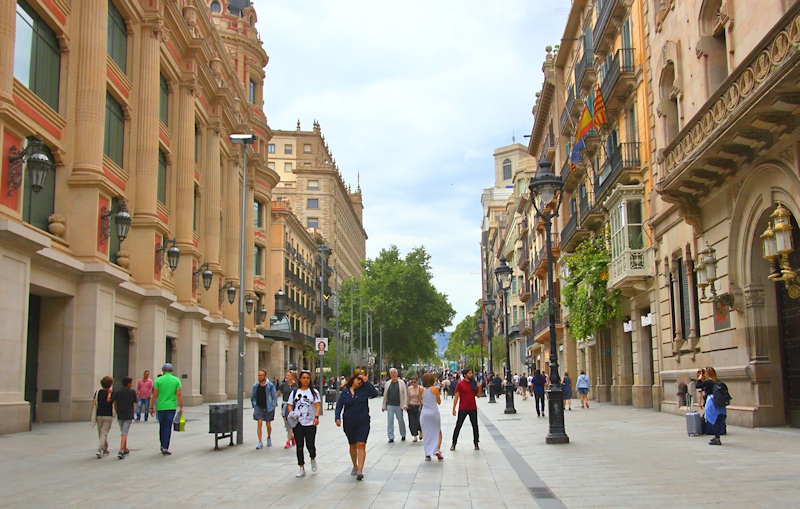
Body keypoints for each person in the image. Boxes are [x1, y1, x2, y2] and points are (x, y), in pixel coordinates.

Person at [335, 371, 379, 480]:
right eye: (358, 379)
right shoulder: (345, 392)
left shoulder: (364, 390)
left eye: (361, 379)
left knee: (361, 444)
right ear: (353, 379)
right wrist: (337, 417)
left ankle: (360, 469)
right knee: (352, 444)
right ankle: (354, 465)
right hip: (349, 421)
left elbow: (375, 394)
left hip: (362, 421)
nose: (359, 381)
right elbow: (339, 405)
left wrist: (367, 382)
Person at [286, 370, 321, 477]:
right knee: (299, 445)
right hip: (298, 422)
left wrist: (316, 417)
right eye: (304, 378)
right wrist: (291, 413)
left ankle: (312, 457)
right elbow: (290, 404)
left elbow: (317, 405)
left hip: (310, 422)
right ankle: (301, 466)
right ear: (300, 379)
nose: (306, 380)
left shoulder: (314, 392)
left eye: (307, 378)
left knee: (310, 444)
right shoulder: (295, 392)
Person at [149, 363, 183, 455]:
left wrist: (151, 407)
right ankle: (165, 446)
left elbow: (155, 395)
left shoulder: (158, 380)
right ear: (171, 370)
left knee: (162, 426)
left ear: (163, 371)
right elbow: (179, 394)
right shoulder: (176, 380)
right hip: (171, 406)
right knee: (168, 426)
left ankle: (161, 444)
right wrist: (181, 406)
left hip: (161, 406)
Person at [450, 368, 480, 451]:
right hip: (463, 408)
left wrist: (479, 387)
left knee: (475, 426)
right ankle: (454, 443)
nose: (471, 375)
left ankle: (476, 442)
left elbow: (478, 395)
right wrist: (454, 408)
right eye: (470, 373)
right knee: (458, 425)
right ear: (465, 375)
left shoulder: (473, 384)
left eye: (471, 373)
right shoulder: (460, 384)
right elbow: (456, 396)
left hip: (473, 408)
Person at [251, 369, 278, 449]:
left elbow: (274, 395)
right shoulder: (256, 386)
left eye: (262, 375)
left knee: (268, 424)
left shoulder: (270, 385)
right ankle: (260, 442)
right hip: (259, 406)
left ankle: (269, 437)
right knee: (259, 423)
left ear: (265, 376)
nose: (260, 377)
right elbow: (253, 396)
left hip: (268, 407)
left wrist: (274, 405)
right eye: (259, 375)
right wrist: (254, 404)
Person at [111, 377, 136, 459]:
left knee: (123, 432)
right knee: (124, 433)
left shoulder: (118, 392)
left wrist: (116, 410)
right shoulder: (132, 392)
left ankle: (124, 448)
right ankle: (121, 450)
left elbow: (113, 401)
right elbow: (135, 401)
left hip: (120, 414)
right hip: (128, 415)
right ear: (128, 384)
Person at [419, 373, 443, 461]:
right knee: (438, 432)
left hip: (424, 413)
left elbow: (420, 401)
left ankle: (427, 454)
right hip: (434, 413)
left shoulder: (421, 390)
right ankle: (437, 449)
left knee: (426, 433)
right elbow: (439, 401)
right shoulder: (435, 389)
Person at [381, 367, 408, 443]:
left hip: (399, 405)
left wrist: (405, 404)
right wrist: (383, 406)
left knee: (400, 420)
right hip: (390, 404)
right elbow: (385, 395)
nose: (393, 374)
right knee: (390, 420)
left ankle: (403, 434)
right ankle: (391, 436)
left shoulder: (401, 383)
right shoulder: (387, 383)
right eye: (391, 373)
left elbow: (405, 394)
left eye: (394, 373)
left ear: (397, 374)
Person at [703, 366, 728, 445]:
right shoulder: (719, 382)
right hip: (720, 402)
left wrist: (700, 377)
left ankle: (717, 438)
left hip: (712, 402)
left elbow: (698, 385)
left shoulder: (708, 382)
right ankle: (717, 436)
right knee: (719, 419)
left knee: (713, 420)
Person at [93, 376, 114, 458]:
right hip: (108, 415)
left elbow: (93, 403)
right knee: (104, 433)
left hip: (99, 415)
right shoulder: (111, 392)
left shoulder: (98, 392)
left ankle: (104, 448)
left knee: (101, 433)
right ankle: (100, 449)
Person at [277, 370, 298, 449]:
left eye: (288, 375)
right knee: (287, 424)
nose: (287, 377)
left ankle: (288, 441)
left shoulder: (295, 385)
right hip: (285, 405)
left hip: (292, 406)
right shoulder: (283, 385)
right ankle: (292, 437)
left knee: (291, 423)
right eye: (286, 375)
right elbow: (278, 393)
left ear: (292, 377)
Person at [406, 376, 422, 442]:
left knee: (419, 420)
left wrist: (421, 405)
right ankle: (415, 436)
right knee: (412, 422)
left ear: (417, 381)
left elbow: (421, 398)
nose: (413, 383)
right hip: (411, 405)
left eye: (414, 382)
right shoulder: (409, 388)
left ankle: (421, 431)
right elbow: (408, 397)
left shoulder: (420, 388)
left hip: (418, 405)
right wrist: (406, 405)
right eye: (411, 382)